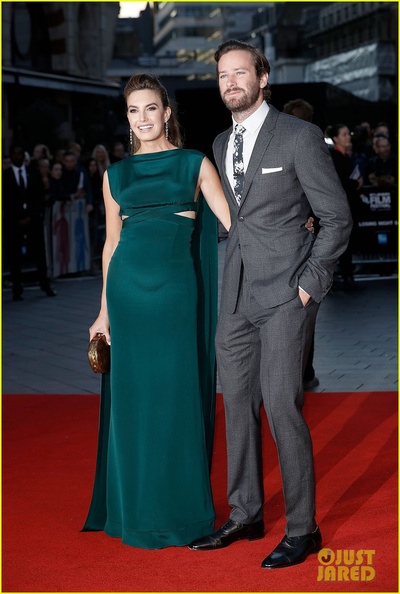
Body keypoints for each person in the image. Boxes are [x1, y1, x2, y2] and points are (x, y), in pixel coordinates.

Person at [188, 40, 352, 569]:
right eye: (222, 75)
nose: (230, 82)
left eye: (240, 73)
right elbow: (237, 219)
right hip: (235, 294)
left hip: (286, 293)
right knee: (237, 405)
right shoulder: (220, 142)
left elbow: (337, 217)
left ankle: (304, 528)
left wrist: (309, 283)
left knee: (282, 404)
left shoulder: (299, 136)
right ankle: (246, 513)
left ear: (263, 78)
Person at [82, 73, 232, 549]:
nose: (142, 118)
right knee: (133, 404)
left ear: (166, 113)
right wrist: (103, 313)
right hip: (127, 296)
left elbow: (236, 223)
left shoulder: (194, 164)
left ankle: (182, 513)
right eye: (133, 110)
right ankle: (136, 512)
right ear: (127, 118)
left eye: (150, 108)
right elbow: (111, 245)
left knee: (176, 398)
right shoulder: (115, 175)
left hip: (175, 296)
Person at [282, 98, 319, 390]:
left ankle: (301, 374)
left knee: (302, 317)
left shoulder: (308, 145)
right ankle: (302, 374)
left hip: (304, 249)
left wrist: (311, 219)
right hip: (296, 245)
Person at [2, 145, 56, 300]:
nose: (17, 157)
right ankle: (17, 290)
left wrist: (32, 215)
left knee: (39, 254)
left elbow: (39, 196)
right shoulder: (5, 176)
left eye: (19, 154)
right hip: (14, 222)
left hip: (33, 220)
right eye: (14, 154)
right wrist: (16, 218)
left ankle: (45, 285)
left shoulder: (33, 172)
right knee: (15, 257)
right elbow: (5, 200)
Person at [327, 124, 363, 291]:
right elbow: (339, 182)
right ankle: (344, 279)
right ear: (335, 138)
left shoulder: (345, 156)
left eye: (348, 134)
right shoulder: (334, 157)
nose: (348, 137)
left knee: (347, 244)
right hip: (341, 209)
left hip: (348, 207)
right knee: (342, 244)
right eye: (344, 134)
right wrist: (355, 183)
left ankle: (347, 277)